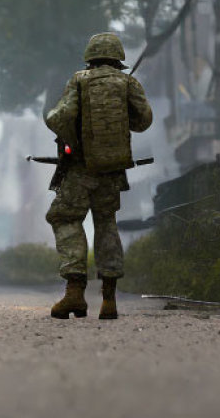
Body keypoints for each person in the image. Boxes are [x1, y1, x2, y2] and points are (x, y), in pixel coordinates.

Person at [44, 32, 152, 319]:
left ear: (90, 56)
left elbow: (57, 118)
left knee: (66, 218)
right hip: (111, 171)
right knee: (106, 223)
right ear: (118, 57)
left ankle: (75, 295)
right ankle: (109, 300)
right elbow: (144, 121)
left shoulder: (79, 81)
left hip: (79, 170)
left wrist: (71, 142)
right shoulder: (129, 83)